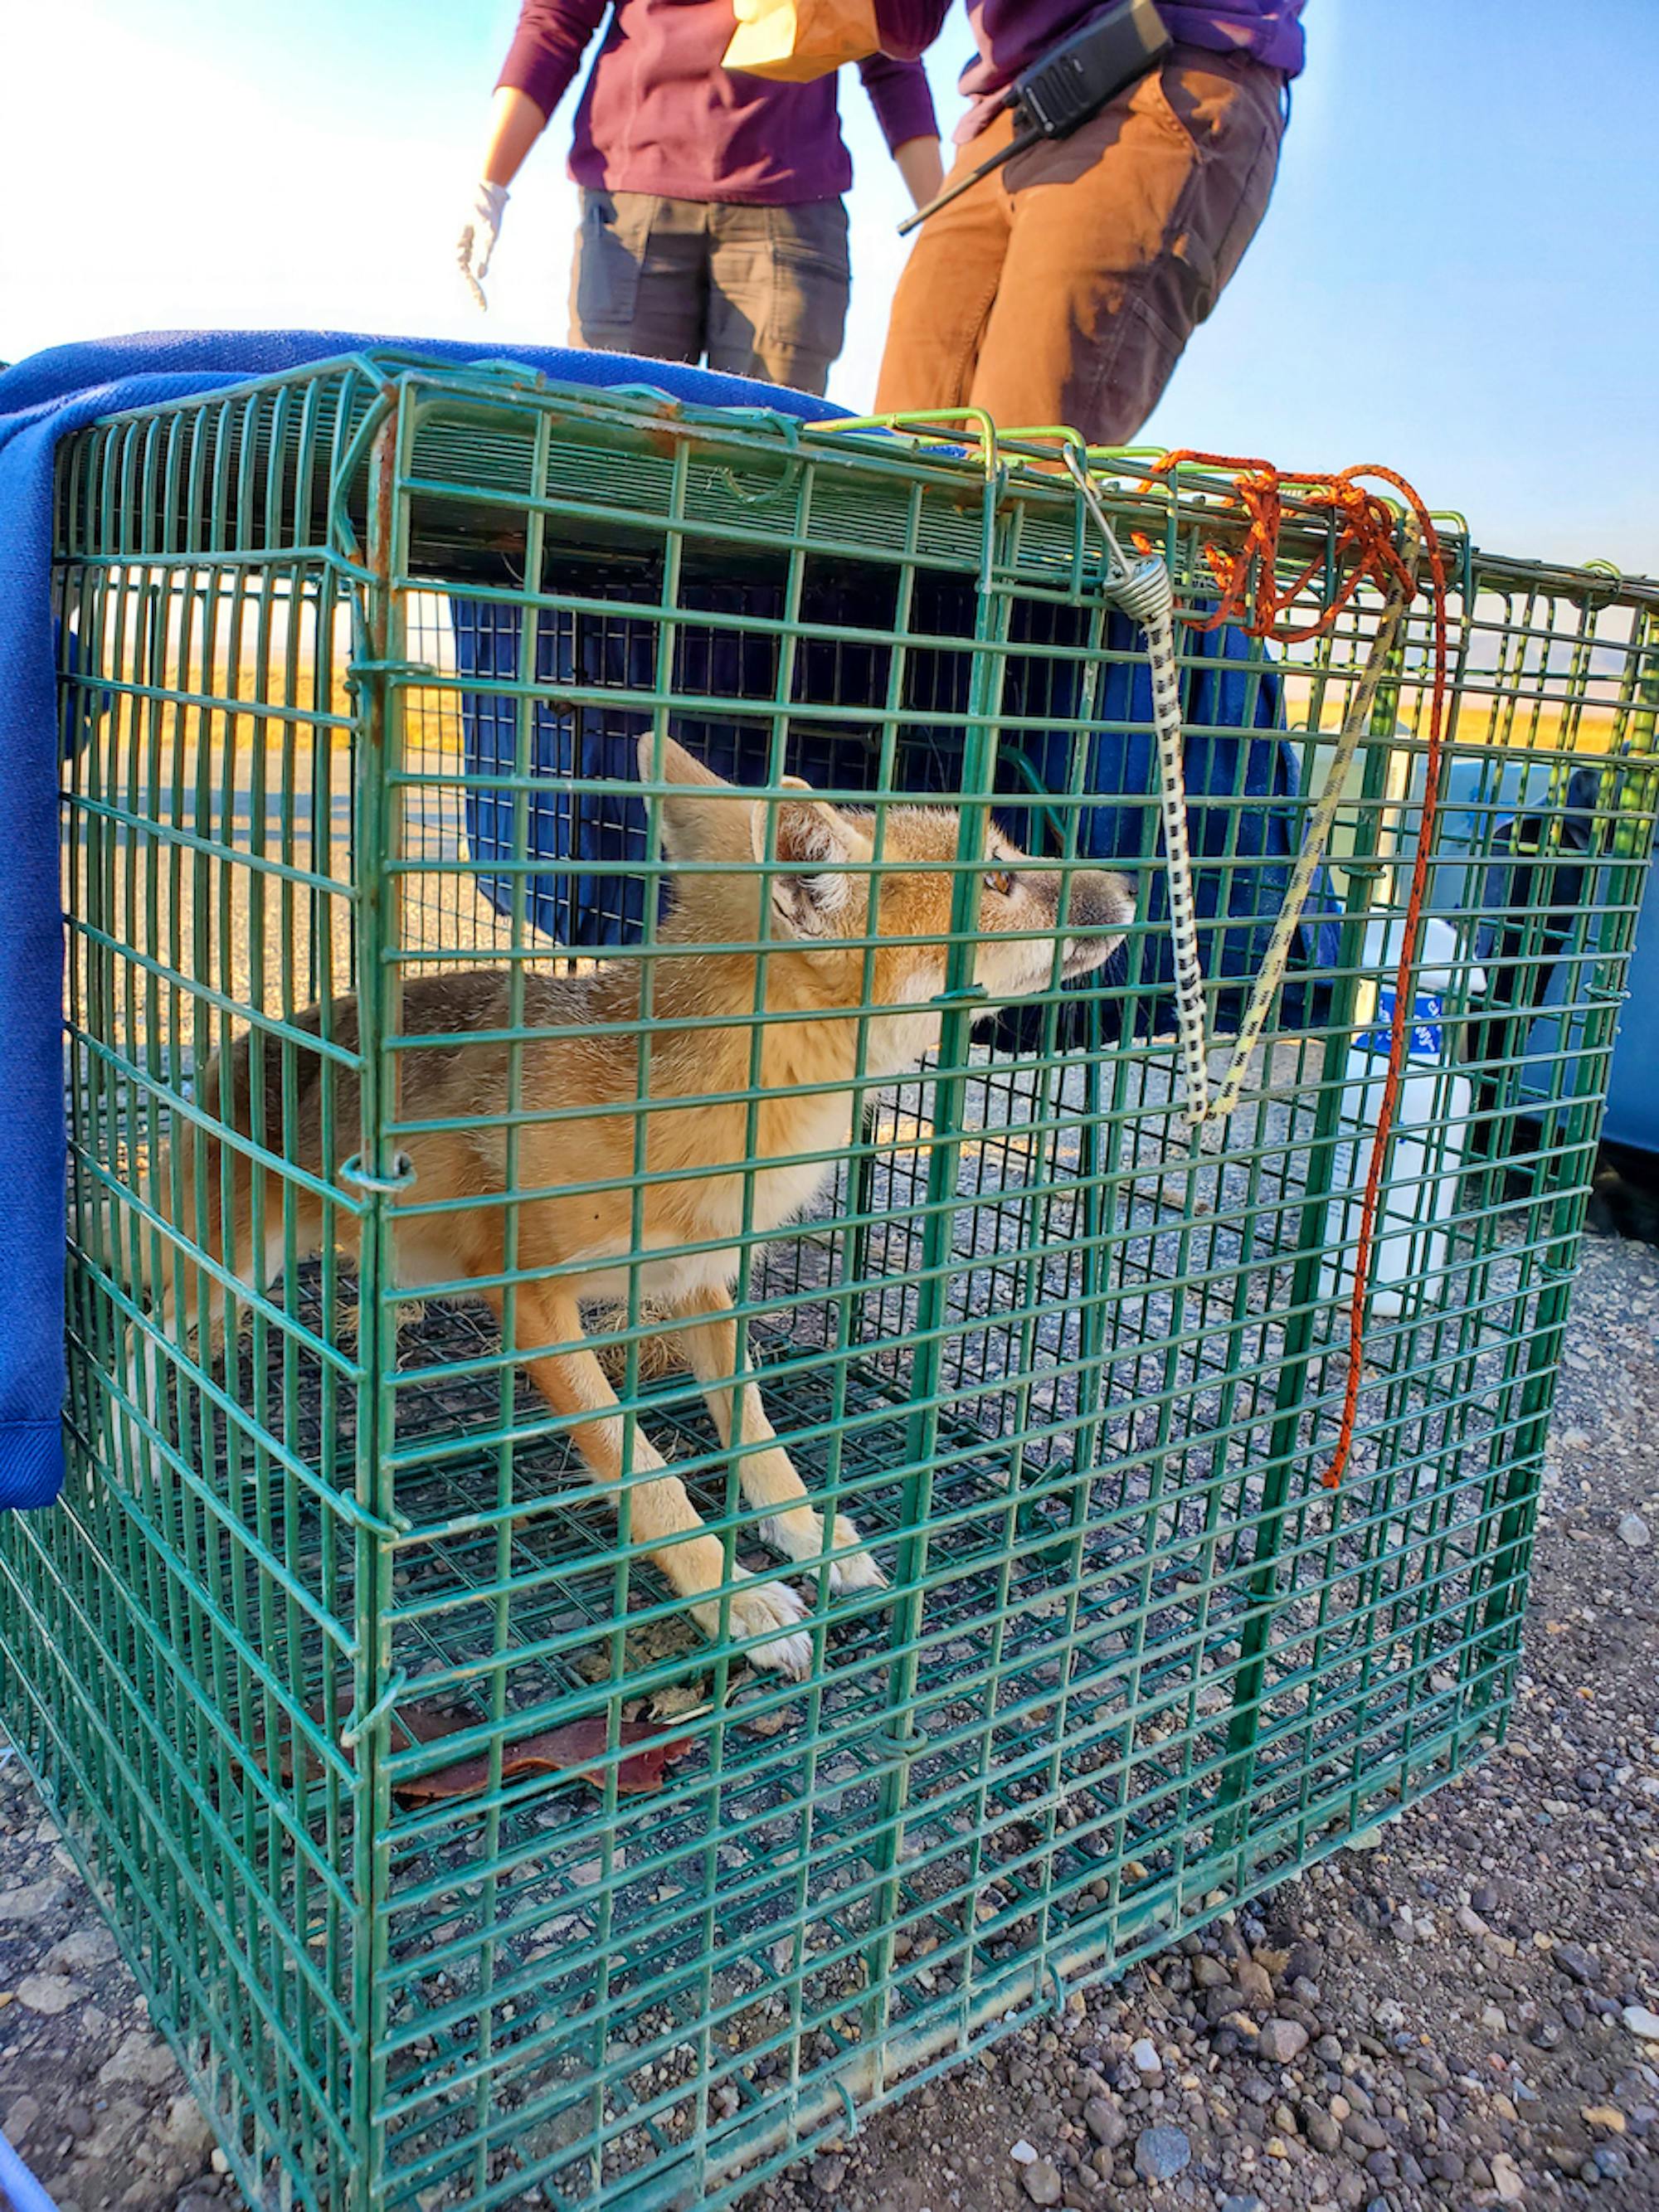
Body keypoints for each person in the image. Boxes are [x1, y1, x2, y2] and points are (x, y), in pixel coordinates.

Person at [456, 0, 943, 398]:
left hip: (789, 212)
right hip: (633, 207)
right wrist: (490, 184)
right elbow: (556, 20)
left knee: (766, 471)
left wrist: (941, 218)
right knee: (616, 461)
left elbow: (889, 45)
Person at [868, 0, 1306, 442]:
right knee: (890, 462)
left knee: (1028, 458)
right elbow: (903, 19)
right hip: (1008, 107)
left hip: (1168, 59)